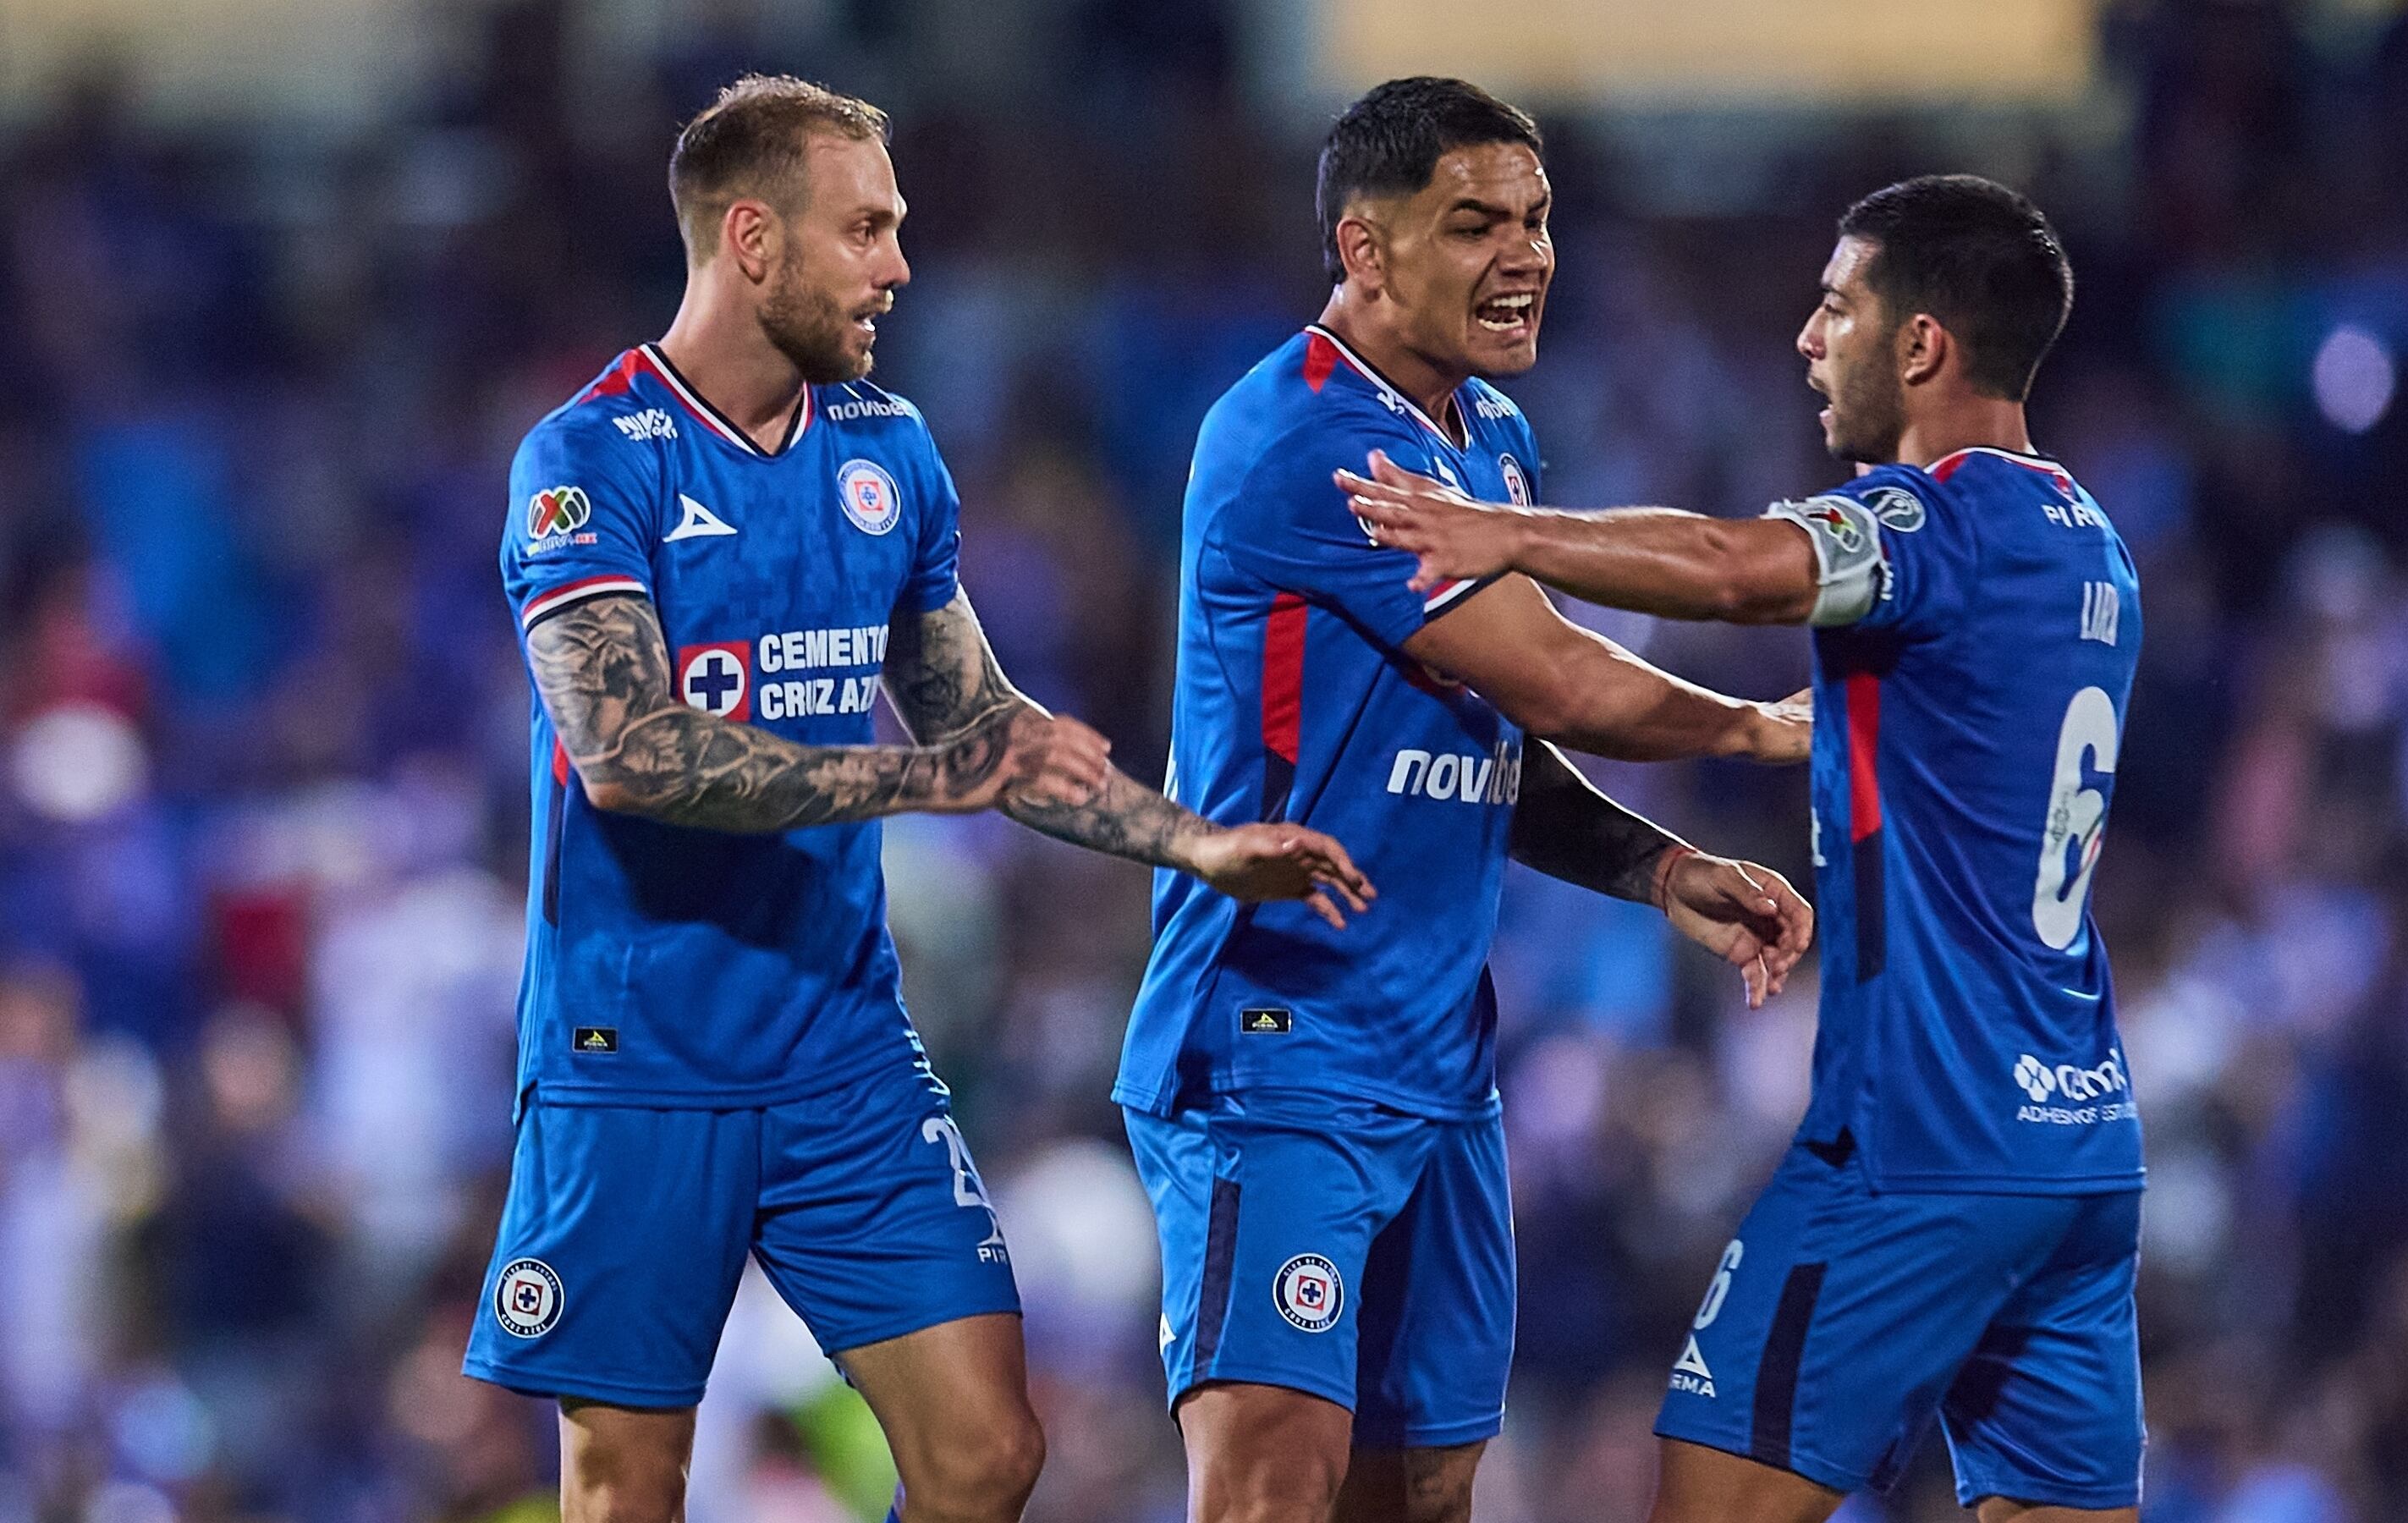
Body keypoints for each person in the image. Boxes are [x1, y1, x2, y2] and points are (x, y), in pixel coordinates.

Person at [463, 74, 1373, 1523]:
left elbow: (984, 729)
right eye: (866, 229)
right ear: (752, 240)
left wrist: (1195, 842)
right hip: (633, 1050)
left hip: (842, 1051)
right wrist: (918, 779)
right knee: (629, 1480)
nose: (898, 266)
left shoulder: (889, 450)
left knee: (987, 1452)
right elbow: (628, 752)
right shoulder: (584, 459)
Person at [1341, 175, 2145, 1522]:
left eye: (1837, 308)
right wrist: (1790, 742)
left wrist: (1505, 534)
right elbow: (1953, 742)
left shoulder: (1935, 522)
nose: (1806, 340)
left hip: (1918, 1142)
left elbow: (1729, 565)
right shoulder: (2093, 544)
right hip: (2079, 1147)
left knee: (1708, 1497)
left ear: (1923, 345)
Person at [1119, 77, 1818, 1523]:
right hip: (1277, 1041)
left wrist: (1655, 869)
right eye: (1474, 223)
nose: (1527, 254)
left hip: (1438, 1062)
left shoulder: (1490, 438)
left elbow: (1484, 742)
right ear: (1365, 252)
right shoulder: (1305, 437)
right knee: (1270, 1488)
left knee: (1427, 1493)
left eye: (1540, 219)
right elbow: (1557, 680)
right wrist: (1762, 731)